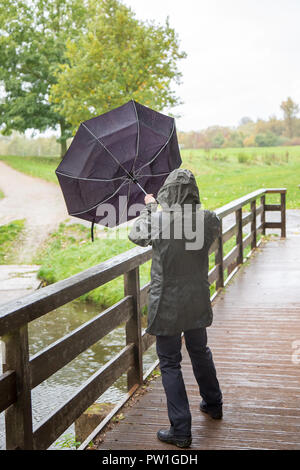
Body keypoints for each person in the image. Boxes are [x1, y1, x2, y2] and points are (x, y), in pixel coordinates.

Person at [128, 168, 223, 448]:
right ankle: (214, 404)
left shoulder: (157, 219)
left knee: (169, 362)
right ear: (194, 192)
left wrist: (149, 209)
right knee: (199, 351)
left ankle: (181, 430)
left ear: (167, 192)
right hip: (195, 299)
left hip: (166, 302)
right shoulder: (208, 219)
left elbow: (136, 235)